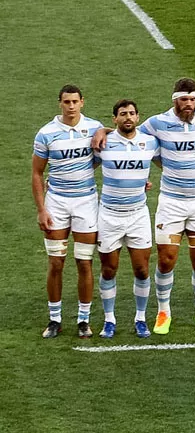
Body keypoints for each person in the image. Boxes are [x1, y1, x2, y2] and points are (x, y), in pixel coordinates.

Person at [138, 78, 195, 334]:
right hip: (171, 203)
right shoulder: (157, 122)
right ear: (175, 100)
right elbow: (130, 139)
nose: (189, 105)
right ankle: (164, 312)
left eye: (193, 100)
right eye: (184, 100)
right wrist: (102, 132)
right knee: (166, 259)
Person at [33, 84, 102, 338]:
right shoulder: (46, 133)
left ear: (82, 102)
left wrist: (104, 130)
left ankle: (84, 320)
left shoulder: (95, 128)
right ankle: (54, 319)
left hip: (86, 203)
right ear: (59, 103)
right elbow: (37, 173)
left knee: (85, 262)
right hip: (57, 204)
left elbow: (111, 150)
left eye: (75, 101)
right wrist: (42, 209)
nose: (71, 106)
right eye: (66, 102)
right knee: (56, 262)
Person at [96, 100, 158, 339]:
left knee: (142, 270)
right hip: (109, 215)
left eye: (132, 113)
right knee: (109, 269)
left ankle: (140, 318)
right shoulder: (103, 142)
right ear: (115, 119)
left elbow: (171, 161)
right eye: (123, 114)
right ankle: (109, 319)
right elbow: (82, 166)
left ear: (138, 117)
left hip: (138, 215)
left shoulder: (149, 142)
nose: (128, 117)